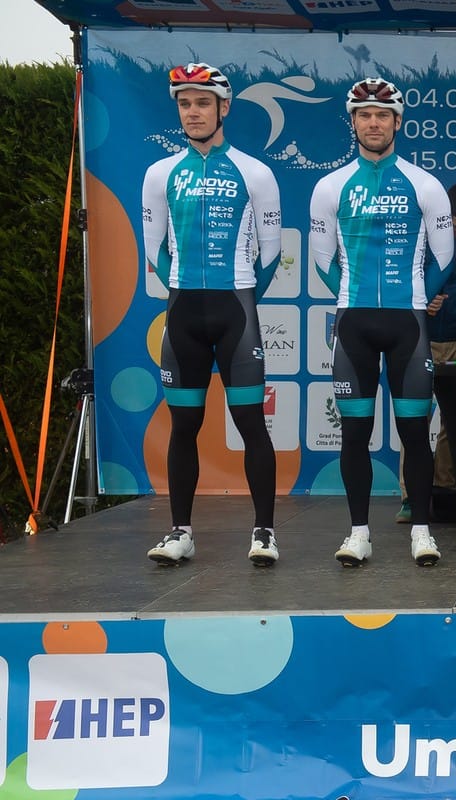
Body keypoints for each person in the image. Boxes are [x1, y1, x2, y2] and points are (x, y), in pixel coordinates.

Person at [309, 77, 455, 567]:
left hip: (407, 325)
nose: (374, 123)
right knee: (354, 433)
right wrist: (350, 296)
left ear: (397, 122)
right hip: (354, 325)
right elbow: (323, 259)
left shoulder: (424, 185)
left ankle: (422, 532)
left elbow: (444, 258)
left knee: (415, 433)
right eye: (365, 115)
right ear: (353, 122)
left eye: (383, 115)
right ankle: (358, 533)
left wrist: (415, 296)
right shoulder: (330, 186)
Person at [142, 62, 281, 567]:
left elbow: (270, 254)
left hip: (235, 311)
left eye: (203, 103)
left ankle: (264, 532)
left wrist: (240, 291)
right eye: (185, 104)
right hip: (183, 313)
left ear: (224, 108)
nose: (193, 112)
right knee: (183, 426)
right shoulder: (159, 174)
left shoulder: (255, 172)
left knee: (251, 423)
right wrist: (182, 288)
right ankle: (180, 532)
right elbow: (154, 249)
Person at [396, 182, 456, 524]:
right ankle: (409, 497)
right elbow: (403, 283)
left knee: (454, 420)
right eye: (453, 226)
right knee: (414, 417)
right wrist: (423, 303)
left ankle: (446, 488)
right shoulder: (424, 240)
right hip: (423, 340)